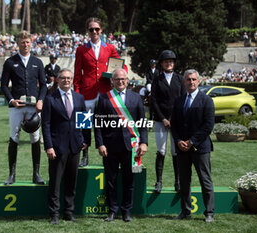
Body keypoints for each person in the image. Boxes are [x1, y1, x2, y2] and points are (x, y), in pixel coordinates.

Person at [94, 68, 148, 222]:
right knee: (111, 181)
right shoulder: (104, 99)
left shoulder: (136, 98)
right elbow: (97, 124)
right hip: (110, 147)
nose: (121, 81)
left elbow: (142, 123)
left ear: (128, 80)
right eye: (117, 79)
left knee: (129, 180)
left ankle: (126, 211)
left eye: (123, 79)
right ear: (112, 81)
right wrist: (100, 144)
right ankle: (112, 210)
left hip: (132, 148)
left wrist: (143, 142)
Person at [73, 17, 127, 167]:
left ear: (101, 30)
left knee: (107, 123)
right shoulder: (81, 50)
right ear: (87, 31)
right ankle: (85, 155)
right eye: (91, 29)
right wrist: (77, 94)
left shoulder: (109, 48)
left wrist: (122, 75)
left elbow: (121, 66)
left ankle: (110, 152)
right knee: (84, 125)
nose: (94, 32)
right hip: (87, 93)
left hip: (105, 91)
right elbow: (77, 74)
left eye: (97, 29)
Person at [41, 68, 88, 225]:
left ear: (72, 80)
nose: (66, 80)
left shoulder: (79, 98)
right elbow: (46, 124)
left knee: (71, 181)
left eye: (69, 78)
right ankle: (54, 214)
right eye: (63, 78)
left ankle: (69, 212)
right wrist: (48, 146)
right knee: (55, 182)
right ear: (57, 80)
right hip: (57, 146)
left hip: (75, 146)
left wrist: (85, 141)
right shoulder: (50, 99)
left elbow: (85, 122)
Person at [0, 31, 47, 185]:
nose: (25, 44)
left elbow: (44, 86)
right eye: (22, 42)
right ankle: (11, 174)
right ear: (17, 43)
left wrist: (41, 100)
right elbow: (4, 85)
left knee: (35, 138)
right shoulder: (10, 62)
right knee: (14, 138)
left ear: (31, 43)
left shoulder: (37, 62)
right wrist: (11, 100)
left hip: (34, 108)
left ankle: (36, 174)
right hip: (17, 107)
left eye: (27, 42)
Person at [171, 69, 215, 223]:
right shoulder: (179, 101)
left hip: (200, 148)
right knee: (184, 181)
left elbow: (208, 125)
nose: (191, 82)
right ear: (184, 82)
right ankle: (185, 211)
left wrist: (192, 141)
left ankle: (209, 212)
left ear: (199, 81)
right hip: (182, 148)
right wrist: (178, 141)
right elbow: (174, 125)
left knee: (205, 180)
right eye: (188, 79)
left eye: (194, 79)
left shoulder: (207, 100)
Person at [151, 50, 186, 193]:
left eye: (171, 61)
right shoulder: (157, 79)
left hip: (176, 121)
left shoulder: (180, 79)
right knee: (161, 151)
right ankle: (159, 181)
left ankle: (178, 181)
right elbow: (153, 101)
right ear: (162, 64)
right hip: (161, 120)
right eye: (166, 61)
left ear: (174, 63)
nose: (169, 63)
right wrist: (163, 118)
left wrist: (174, 118)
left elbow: (183, 99)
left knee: (175, 151)